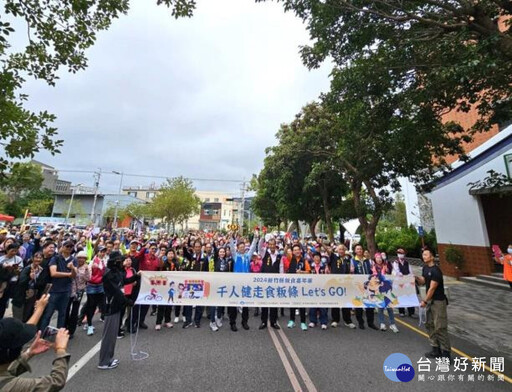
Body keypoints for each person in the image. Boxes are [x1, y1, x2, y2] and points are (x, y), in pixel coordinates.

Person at [0, 295, 71, 391]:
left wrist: (29, 352)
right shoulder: (11, 387)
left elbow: (7, 373)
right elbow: (56, 381)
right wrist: (61, 350)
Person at [98, 252, 138, 370]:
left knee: (112, 335)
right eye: (120, 260)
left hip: (116, 306)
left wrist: (136, 276)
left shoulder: (117, 272)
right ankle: (104, 362)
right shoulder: (109, 274)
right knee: (108, 336)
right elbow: (116, 291)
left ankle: (109, 358)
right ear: (115, 261)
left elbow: (124, 281)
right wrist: (128, 301)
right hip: (111, 307)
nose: (122, 262)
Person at [415, 248, 451, 361]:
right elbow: (423, 281)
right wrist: (415, 278)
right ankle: (435, 349)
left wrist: (424, 301)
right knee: (429, 324)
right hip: (429, 301)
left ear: (432, 257)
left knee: (440, 326)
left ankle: (446, 353)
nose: (424, 256)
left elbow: (432, 288)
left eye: (426, 254)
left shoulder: (436, 271)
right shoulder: (425, 268)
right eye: (423, 254)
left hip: (438, 302)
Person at [39, 241, 77, 332]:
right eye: (67, 246)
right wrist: (69, 273)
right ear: (63, 247)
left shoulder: (74, 259)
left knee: (62, 314)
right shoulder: (55, 258)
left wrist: (72, 268)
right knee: (48, 313)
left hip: (66, 290)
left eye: (71, 246)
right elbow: (53, 273)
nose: (69, 248)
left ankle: (59, 335)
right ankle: (41, 334)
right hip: (54, 290)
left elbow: (74, 275)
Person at [228, 230, 259, 332]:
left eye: (243, 247)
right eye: (240, 247)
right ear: (238, 248)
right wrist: (231, 237)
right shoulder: (235, 256)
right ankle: (232, 323)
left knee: (245, 304)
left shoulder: (247, 256)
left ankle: (244, 322)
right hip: (236, 283)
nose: (242, 249)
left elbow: (253, 246)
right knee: (234, 304)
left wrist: (255, 237)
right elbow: (232, 247)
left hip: (246, 284)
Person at [181, 240, 209, 329]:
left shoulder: (204, 258)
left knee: (199, 303)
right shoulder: (191, 256)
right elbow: (185, 252)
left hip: (200, 283)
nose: (197, 248)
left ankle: (197, 321)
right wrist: (183, 245)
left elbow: (207, 271)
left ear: (201, 248)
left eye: (198, 247)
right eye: (195, 247)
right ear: (193, 248)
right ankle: (188, 321)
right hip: (190, 283)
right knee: (188, 303)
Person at [11, 252, 44, 322]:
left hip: (31, 298)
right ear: (32, 258)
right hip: (21, 297)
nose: (38, 259)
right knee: (17, 320)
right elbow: (21, 282)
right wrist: (29, 277)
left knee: (26, 318)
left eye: (40, 258)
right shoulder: (27, 269)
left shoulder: (41, 270)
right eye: (36, 257)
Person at [329, 244, 355, 329]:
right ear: (337, 250)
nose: (341, 251)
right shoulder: (334, 257)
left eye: (342, 249)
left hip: (346, 284)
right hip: (336, 283)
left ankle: (347, 321)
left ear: (345, 251)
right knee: (335, 302)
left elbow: (351, 271)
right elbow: (328, 251)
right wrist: (322, 244)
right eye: (339, 249)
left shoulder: (348, 259)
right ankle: (335, 320)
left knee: (346, 302)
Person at [352, 244, 377, 330]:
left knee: (370, 304)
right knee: (358, 304)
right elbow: (351, 273)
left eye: (360, 249)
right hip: (358, 286)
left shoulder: (368, 261)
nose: (359, 250)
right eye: (357, 249)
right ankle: (360, 322)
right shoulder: (352, 261)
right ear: (355, 251)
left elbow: (372, 271)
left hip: (368, 286)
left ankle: (371, 323)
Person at [372, 253, 399, 333]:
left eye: (380, 258)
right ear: (375, 259)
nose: (379, 259)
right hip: (379, 290)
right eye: (377, 258)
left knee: (389, 307)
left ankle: (392, 324)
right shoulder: (373, 267)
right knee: (380, 307)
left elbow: (393, 275)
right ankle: (382, 323)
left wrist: (388, 271)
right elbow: (373, 278)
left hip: (387, 289)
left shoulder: (386, 266)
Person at [65, 251, 90, 338]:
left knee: (75, 310)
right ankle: (64, 327)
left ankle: (71, 330)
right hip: (69, 289)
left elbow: (88, 278)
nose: (81, 259)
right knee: (66, 308)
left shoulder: (87, 267)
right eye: (79, 257)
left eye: (83, 258)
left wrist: (86, 271)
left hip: (79, 290)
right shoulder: (72, 264)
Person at [258, 238, 281, 330]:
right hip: (265, 282)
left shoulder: (278, 255)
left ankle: (273, 322)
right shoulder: (264, 253)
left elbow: (281, 268)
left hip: (275, 283)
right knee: (264, 303)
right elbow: (259, 247)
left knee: (274, 303)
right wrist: (262, 237)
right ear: (267, 245)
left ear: (275, 245)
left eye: (273, 244)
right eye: (270, 244)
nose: (271, 246)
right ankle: (263, 321)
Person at [83, 247, 107, 336]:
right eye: (101, 251)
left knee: (102, 305)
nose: (103, 253)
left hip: (101, 285)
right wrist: (91, 269)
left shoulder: (104, 261)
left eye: (104, 252)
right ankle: (89, 324)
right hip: (92, 285)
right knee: (91, 306)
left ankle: (88, 323)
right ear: (97, 252)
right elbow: (88, 274)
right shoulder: (93, 261)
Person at [287, 244, 310, 331]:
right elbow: (285, 252)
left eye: (298, 250)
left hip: (301, 286)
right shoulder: (290, 259)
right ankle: (291, 320)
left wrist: (302, 272)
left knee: (301, 304)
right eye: (295, 250)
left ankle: (303, 322)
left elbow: (308, 272)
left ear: (300, 251)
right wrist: (288, 244)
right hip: (292, 285)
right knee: (292, 304)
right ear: (292, 252)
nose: (296, 251)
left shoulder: (304, 261)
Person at [0, 243, 24, 319]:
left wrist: (15, 269)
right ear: (7, 250)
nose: (14, 253)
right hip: (1, 282)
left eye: (15, 251)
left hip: (11, 283)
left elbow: (20, 271)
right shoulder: (1, 259)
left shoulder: (18, 259)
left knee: (3, 302)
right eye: (12, 251)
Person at [392, 248, 416, 318]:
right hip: (400, 282)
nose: (400, 254)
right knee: (401, 297)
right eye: (399, 253)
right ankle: (401, 311)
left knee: (409, 296)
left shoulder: (407, 262)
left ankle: (411, 312)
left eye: (402, 253)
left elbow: (410, 271)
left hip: (407, 282)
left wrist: (411, 276)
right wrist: (399, 274)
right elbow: (396, 271)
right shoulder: (396, 262)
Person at [308, 253, 328, 330]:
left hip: (322, 288)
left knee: (322, 306)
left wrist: (327, 271)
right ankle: (313, 321)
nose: (317, 259)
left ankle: (323, 322)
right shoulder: (310, 266)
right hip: (312, 288)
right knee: (313, 305)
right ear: (313, 258)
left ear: (320, 258)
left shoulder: (324, 266)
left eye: (318, 257)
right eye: (315, 257)